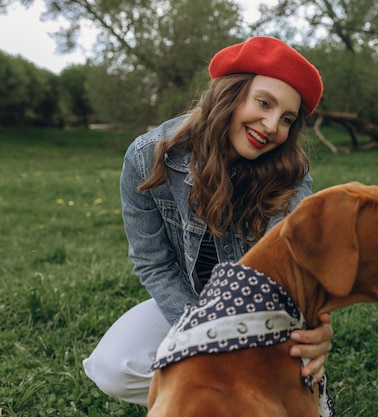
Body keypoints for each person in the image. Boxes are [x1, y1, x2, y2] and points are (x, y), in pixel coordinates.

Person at [83, 36, 333, 406]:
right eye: (263, 103)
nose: (270, 125)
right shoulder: (147, 157)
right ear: (229, 94)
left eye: (286, 119)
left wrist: (315, 330)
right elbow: (153, 263)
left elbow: (299, 269)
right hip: (188, 302)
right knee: (113, 366)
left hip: (263, 315)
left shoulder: (289, 174)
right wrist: (203, 330)